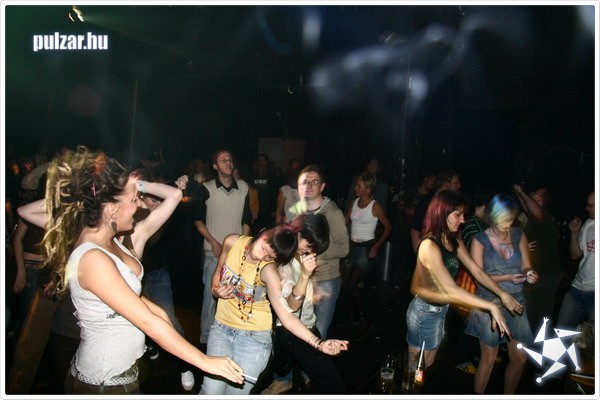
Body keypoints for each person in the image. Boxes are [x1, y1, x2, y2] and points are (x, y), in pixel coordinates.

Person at [20, 147, 243, 394]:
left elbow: (146, 306)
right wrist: (203, 361)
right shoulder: (92, 257)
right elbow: (146, 320)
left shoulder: (112, 243)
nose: (138, 206)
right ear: (112, 208)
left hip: (122, 375)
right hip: (101, 384)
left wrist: (136, 185)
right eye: (133, 200)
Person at [200, 225, 349, 395]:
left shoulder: (268, 270)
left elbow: (287, 315)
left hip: (253, 339)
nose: (262, 257)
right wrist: (215, 289)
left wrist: (319, 344)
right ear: (262, 231)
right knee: (211, 391)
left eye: (269, 256)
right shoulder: (232, 241)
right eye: (264, 248)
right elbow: (219, 268)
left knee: (234, 394)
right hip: (221, 329)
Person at [406, 190, 523, 371]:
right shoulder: (429, 245)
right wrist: (490, 306)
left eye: (463, 215)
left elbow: (477, 271)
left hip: (440, 310)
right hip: (424, 312)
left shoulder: (454, 241)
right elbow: (451, 289)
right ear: (442, 214)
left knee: (426, 365)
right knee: (416, 368)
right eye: (458, 215)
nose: (462, 220)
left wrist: (503, 294)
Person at [261, 213, 345, 394]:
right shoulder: (284, 260)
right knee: (334, 385)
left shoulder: (300, 254)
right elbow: (292, 306)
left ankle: (287, 380)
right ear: (297, 233)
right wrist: (305, 276)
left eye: (315, 248)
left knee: (325, 380)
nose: (311, 251)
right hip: (295, 330)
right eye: (309, 245)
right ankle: (283, 381)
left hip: (307, 324)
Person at [465, 194, 539, 394]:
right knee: (489, 359)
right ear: (493, 216)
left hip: (516, 302)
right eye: (505, 219)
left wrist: (529, 274)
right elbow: (479, 277)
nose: (509, 224)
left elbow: (526, 265)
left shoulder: (518, 234)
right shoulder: (479, 240)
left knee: (520, 358)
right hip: (489, 303)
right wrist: (507, 277)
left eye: (511, 219)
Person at [194, 149, 252, 348]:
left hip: (236, 253)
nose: (228, 163)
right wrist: (212, 240)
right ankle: (205, 339)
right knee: (211, 298)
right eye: (223, 160)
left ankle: (231, 335)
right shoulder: (206, 188)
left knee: (237, 295)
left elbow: (246, 219)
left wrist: (244, 245)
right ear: (215, 166)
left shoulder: (243, 187)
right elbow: (198, 220)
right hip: (214, 252)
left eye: (230, 160)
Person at [287, 164, 349, 339]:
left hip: (324, 280)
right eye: (305, 182)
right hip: (299, 278)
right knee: (296, 329)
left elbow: (343, 248)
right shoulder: (295, 210)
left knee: (318, 332)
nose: (309, 185)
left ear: (322, 186)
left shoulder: (332, 212)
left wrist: (313, 253)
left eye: (314, 182)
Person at [339, 173, 392, 338]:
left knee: (352, 285)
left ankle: (364, 319)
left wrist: (376, 245)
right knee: (343, 284)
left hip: (365, 249)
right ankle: (353, 314)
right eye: (356, 185)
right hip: (352, 246)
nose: (355, 188)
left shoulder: (375, 207)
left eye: (359, 186)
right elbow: (345, 221)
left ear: (368, 189)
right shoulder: (354, 202)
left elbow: (388, 227)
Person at [513, 183, 562, 332]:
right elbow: (527, 207)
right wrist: (518, 194)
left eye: (536, 194)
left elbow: (534, 209)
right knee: (530, 313)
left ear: (542, 201)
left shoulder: (545, 218)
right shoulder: (534, 218)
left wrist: (522, 191)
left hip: (547, 276)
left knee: (541, 316)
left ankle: (541, 343)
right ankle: (532, 341)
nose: (532, 194)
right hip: (535, 274)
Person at [557, 191, 595, 331]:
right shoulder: (589, 224)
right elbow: (575, 255)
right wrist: (574, 233)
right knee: (562, 332)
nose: (586, 208)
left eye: (590, 205)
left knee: (593, 339)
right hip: (577, 288)